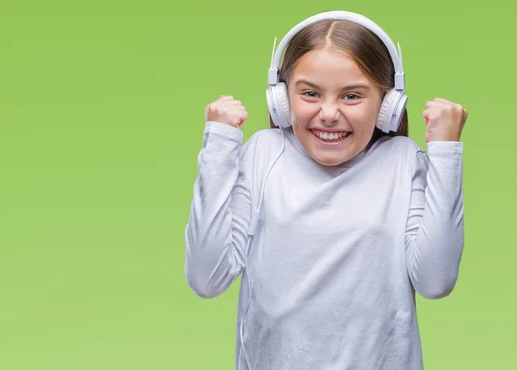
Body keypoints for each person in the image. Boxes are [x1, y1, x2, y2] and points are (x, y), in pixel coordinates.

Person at [184, 10, 467, 370]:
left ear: (387, 106)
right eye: (310, 93)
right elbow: (206, 278)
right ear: (281, 98)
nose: (329, 113)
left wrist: (446, 154)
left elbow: (435, 281)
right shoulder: (264, 153)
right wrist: (219, 146)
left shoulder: (403, 160)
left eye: (351, 96)